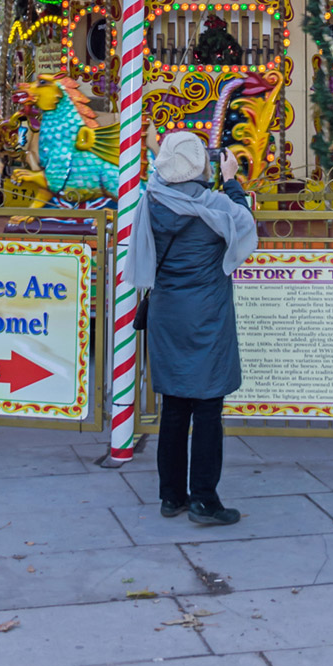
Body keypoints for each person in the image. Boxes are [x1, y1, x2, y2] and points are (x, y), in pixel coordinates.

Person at [125, 130, 258, 527]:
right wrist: (232, 179)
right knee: (207, 408)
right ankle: (204, 499)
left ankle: (171, 496)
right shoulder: (214, 204)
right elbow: (245, 224)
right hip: (206, 315)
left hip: (168, 313)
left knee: (174, 408)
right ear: (200, 162)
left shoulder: (151, 200)